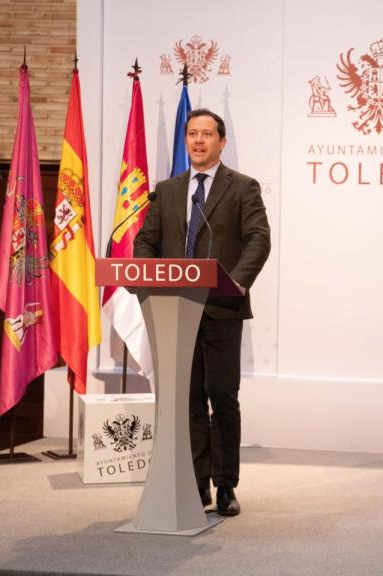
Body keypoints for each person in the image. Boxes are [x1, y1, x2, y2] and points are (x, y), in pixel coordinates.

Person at [134, 109, 270, 516]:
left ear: (221, 142)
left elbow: (258, 241)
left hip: (222, 308)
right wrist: (145, 271)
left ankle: (226, 484)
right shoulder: (166, 190)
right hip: (177, 310)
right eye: (192, 134)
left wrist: (239, 281)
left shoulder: (243, 187)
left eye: (206, 134)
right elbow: (146, 241)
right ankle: (196, 485)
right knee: (189, 400)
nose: (197, 141)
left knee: (222, 397)